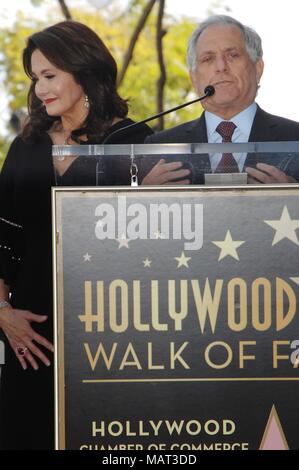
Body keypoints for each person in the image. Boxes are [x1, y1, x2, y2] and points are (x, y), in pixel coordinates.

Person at [0, 20, 152, 450]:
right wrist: (2, 312)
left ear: (84, 72)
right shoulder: (24, 146)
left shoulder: (134, 141)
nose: (40, 89)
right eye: (36, 78)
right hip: (31, 337)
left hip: (113, 335)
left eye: (50, 76)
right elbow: (2, 239)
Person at [143, 15, 299, 184]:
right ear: (194, 78)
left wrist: (293, 197)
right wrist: (145, 196)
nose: (221, 67)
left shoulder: (295, 137)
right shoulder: (161, 147)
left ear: (258, 68)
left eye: (232, 55)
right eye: (208, 59)